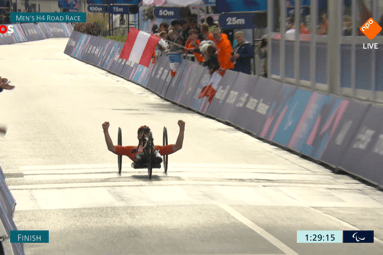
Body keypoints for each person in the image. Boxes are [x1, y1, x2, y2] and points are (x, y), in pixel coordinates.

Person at [102, 121, 185, 165]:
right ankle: (145, 156)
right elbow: (111, 148)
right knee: (139, 156)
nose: (144, 134)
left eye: (146, 133)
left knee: (157, 153)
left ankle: (152, 156)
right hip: (139, 158)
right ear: (138, 136)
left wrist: (182, 129)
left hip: (153, 155)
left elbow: (178, 146)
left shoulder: (157, 148)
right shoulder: (131, 149)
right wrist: (106, 131)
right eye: (142, 133)